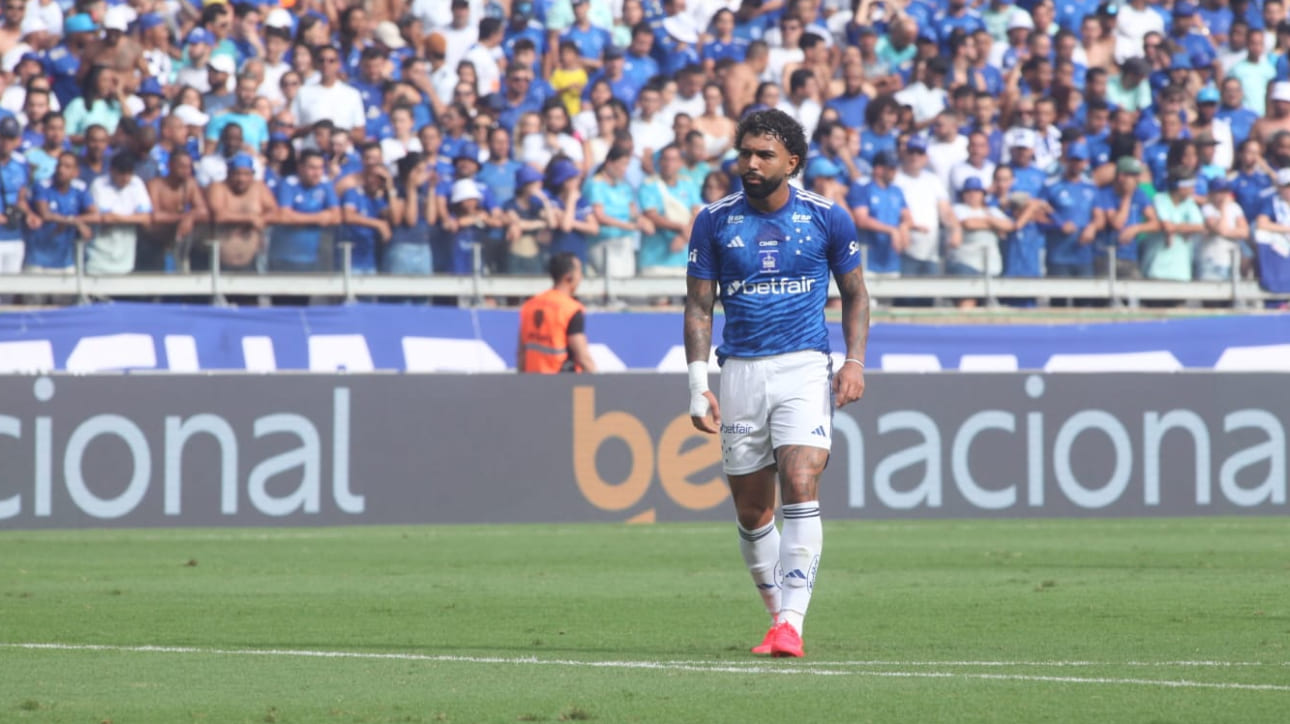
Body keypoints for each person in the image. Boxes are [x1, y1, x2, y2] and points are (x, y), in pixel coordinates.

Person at [684, 109, 869, 659]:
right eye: (744, 153)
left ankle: (792, 622)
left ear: (792, 161)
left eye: (763, 154)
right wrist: (699, 383)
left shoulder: (827, 218)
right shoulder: (714, 220)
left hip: (805, 365)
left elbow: (856, 294)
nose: (750, 163)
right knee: (751, 510)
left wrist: (854, 360)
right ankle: (777, 617)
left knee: (800, 476)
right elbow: (699, 306)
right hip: (739, 369)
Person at [516, 252, 597, 373]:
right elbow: (582, 357)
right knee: (584, 392)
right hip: (561, 383)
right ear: (569, 277)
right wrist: (600, 384)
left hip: (533, 382)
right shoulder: (571, 309)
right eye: (580, 272)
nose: (581, 277)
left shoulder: (530, 305)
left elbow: (522, 352)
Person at [204, 152, 278, 272]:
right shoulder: (218, 188)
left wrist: (261, 220)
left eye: (246, 174)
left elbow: (274, 212)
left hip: (251, 261)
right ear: (229, 173)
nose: (241, 179)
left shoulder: (259, 188)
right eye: (237, 174)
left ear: (252, 175)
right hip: (220, 263)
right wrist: (250, 218)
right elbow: (219, 216)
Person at [88, 152, 153, 275]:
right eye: (122, 173)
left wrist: (117, 217)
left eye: (129, 173)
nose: (126, 178)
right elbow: (106, 218)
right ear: (112, 170)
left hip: (126, 255)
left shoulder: (136, 183)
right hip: (99, 254)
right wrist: (134, 217)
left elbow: (145, 218)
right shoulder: (98, 184)